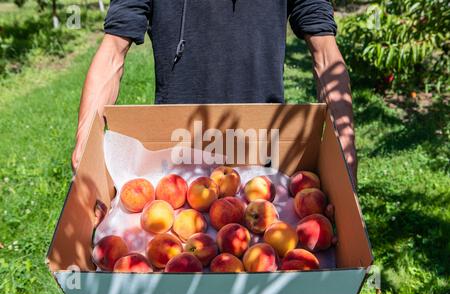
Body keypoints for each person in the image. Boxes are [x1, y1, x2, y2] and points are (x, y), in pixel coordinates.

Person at [72, 0, 357, 186]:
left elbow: (325, 55)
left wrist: (345, 150)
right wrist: (84, 149)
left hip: (259, 152)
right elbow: (112, 53)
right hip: (176, 156)